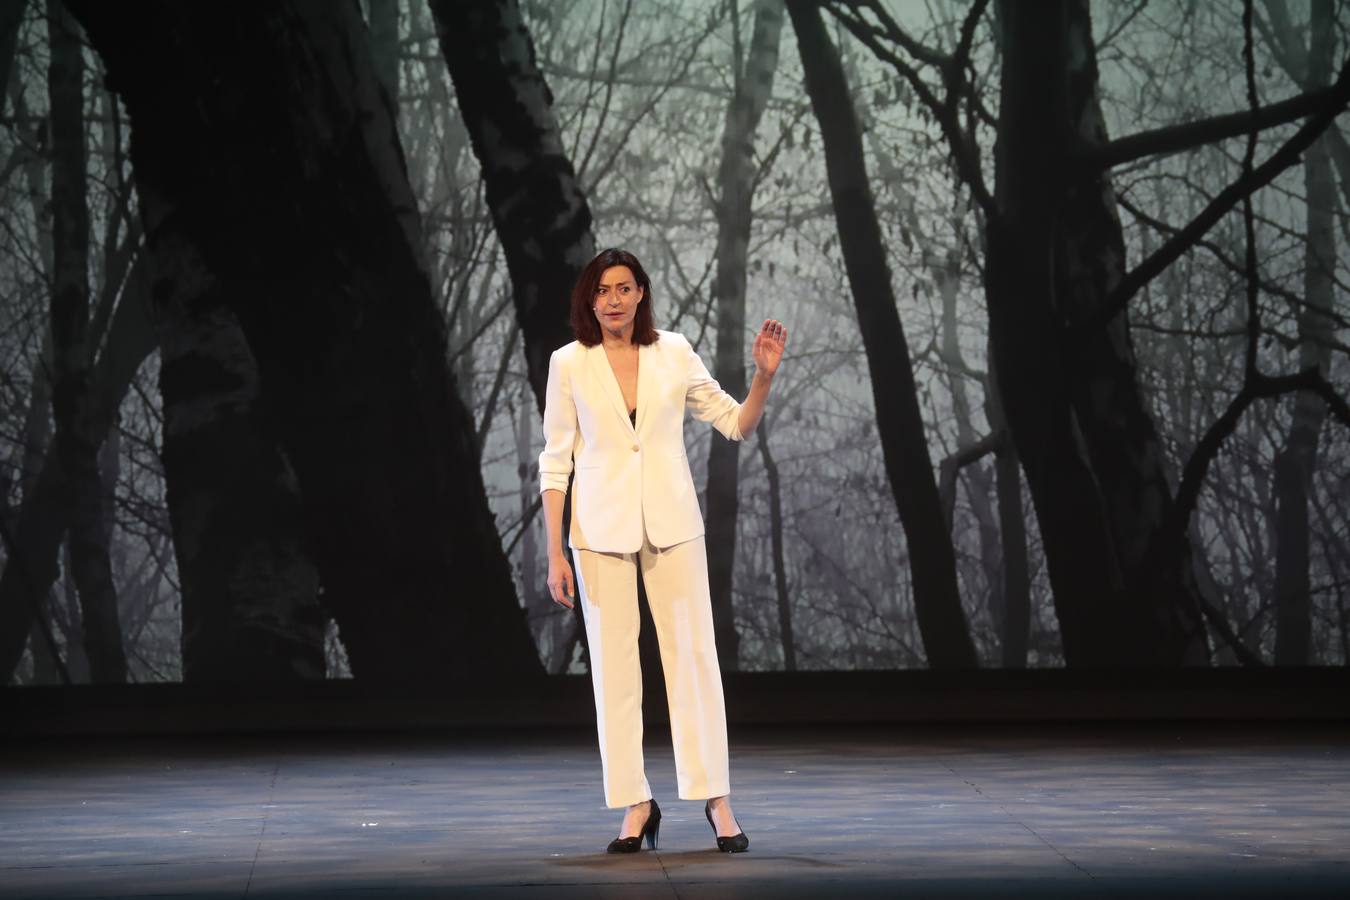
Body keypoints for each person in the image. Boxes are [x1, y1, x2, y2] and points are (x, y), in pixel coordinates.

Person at [538, 247, 786, 854]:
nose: (614, 299)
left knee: (693, 659)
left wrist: (762, 378)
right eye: (602, 291)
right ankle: (634, 802)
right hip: (597, 532)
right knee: (615, 674)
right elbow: (555, 462)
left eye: (624, 288)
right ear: (588, 301)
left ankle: (717, 799)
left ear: (641, 293)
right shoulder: (569, 363)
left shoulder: (672, 351)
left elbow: (735, 423)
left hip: (672, 525)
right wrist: (554, 552)